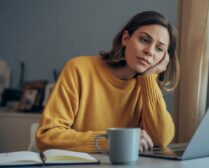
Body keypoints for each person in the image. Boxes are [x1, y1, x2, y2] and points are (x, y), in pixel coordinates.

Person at [36, 11, 180, 153]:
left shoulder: (147, 87)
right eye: (144, 39)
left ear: (163, 59)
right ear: (125, 38)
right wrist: (112, 141)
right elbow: (47, 136)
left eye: (159, 49)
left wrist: (149, 80)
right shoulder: (79, 69)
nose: (150, 51)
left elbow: (160, 139)